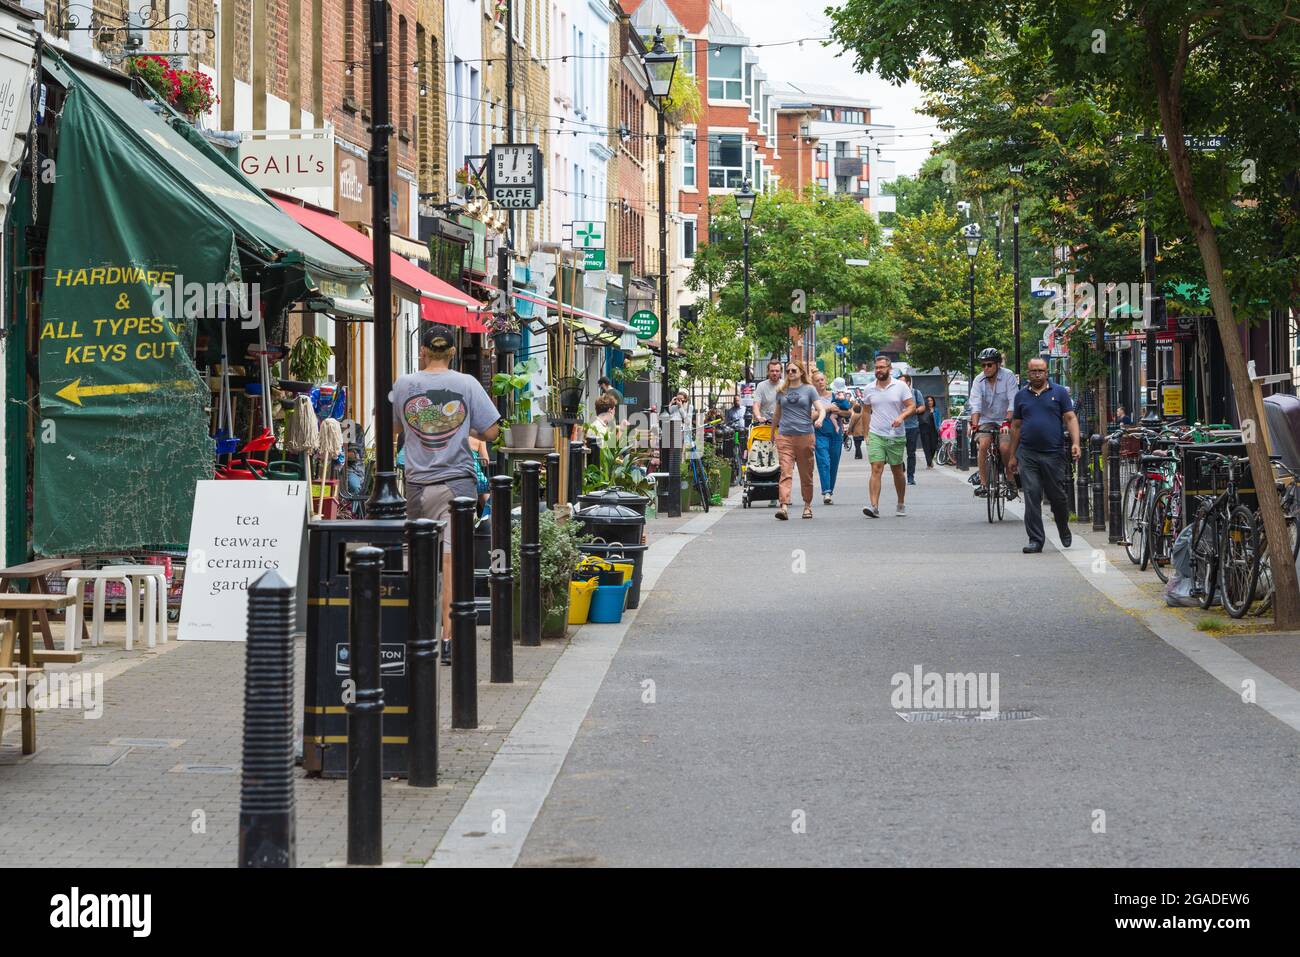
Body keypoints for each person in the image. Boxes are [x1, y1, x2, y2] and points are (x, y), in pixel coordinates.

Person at [391, 324, 500, 665]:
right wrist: (465, 429)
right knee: (452, 561)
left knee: (420, 557)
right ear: (453, 352)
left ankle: (419, 633)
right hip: (458, 484)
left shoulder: (404, 384)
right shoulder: (466, 384)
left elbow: (392, 427)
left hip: (417, 482)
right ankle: (449, 638)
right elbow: (493, 430)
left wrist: (418, 426)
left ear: (422, 350)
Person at [1007, 357, 1081, 553]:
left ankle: (1063, 527)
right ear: (1028, 373)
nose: (1037, 374)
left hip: (1053, 453)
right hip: (1028, 453)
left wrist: (1076, 443)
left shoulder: (1059, 393)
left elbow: (1070, 417)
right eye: (1033, 371)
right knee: (1031, 495)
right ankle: (1035, 540)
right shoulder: (1021, 396)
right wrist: (1013, 455)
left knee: (1058, 497)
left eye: (1040, 370)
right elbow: (1016, 426)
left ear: (1047, 372)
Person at [858, 355, 915, 518]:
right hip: (876, 433)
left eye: (882, 367)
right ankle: (874, 506)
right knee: (876, 468)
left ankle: (901, 502)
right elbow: (866, 411)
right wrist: (866, 434)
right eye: (876, 367)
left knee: (897, 470)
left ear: (889, 369)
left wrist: (901, 417)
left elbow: (912, 406)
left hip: (895, 435)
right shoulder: (869, 388)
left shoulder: (901, 386)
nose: (878, 370)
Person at [771, 358, 825, 520]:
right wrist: (772, 432)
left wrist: (820, 419)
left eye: (793, 370)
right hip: (785, 436)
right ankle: (784, 507)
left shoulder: (809, 390)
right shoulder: (782, 390)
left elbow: (820, 409)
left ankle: (807, 506)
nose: (790, 373)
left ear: (801, 372)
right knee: (785, 472)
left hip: (805, 436)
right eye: (788, 371)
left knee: (806, 473)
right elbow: (777, 414)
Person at [969, 347, 1019, 500]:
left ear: (998, 365)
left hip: (1005, 419)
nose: (986, 368)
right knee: (983, 445)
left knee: (1004, 448)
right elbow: (975, 405)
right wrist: (975, 425)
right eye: (983, 365)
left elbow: (1013, 402)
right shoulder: (978, 380)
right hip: (986, 420)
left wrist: (1006, 422)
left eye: (989, 365)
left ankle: (1010, 482)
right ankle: (984, 484)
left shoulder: (1008, 376)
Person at [811, 370, 851, 504]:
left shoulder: (836, 395)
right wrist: (827, 409)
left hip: (835, 434)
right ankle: (826, 492)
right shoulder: (812, 399)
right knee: (824, 462)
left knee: (833, 463)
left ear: (826, 381)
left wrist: (838, 411)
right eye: (817, 380)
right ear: (812, 383)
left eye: (822, 379)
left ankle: (830, 491)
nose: (820, 382)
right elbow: (810, 417)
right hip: (819, 433)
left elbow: (849, 412)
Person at [900, 373, 926, 486]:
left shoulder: (915, 392)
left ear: (908, 383)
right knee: (897, 453)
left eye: (902, 381)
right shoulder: (896, 394)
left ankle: (910, 477)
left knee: (911, 453)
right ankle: (901, 467)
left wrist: (913, 411)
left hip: (912, 427)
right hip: (898, 428)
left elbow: (922, 406)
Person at [752, 359, 783, 425]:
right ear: (768, 372)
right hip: (765, 425)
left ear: (781, 372)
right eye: (772, 371)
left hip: (782, 426)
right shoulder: (761, 386)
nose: (774, 373)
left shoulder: (786, 385)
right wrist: (758, 417)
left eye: (777, 371)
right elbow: (756, 405)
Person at [919, 395, 941, 468]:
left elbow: (938, 420)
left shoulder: (936, 410)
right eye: (928, 401)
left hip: (934, 430)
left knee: (934, 446)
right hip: (924, 430)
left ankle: (930, 460)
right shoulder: (923, 409)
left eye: (931, 400)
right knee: (926, 447)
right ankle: (929, 463)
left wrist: (939, 428)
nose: (930, 402)